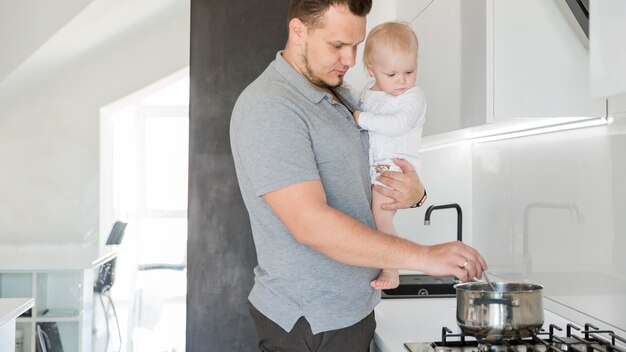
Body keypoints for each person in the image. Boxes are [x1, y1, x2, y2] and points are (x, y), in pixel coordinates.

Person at [230, 1, 487, 350]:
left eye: (356, 45)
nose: (350, 60)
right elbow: (311, 225)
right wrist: (424, 257)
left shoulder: (345, 95)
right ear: (298, 31)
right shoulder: (270, 107)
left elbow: (370, 175)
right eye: (337, 46)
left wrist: (416, 195)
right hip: (309, 322)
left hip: (353, 310)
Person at [352, 21, 427, 290]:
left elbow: (397, 124)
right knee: (374, 219)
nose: (402, 81)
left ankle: (392, 268)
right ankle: (387, 261)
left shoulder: (412, 96)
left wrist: (361, 118)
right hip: (377, 166)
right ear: (372, 71)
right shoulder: (368, 94)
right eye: (392, 74)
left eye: (409, 71)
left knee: (380, 218)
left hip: (394, 167)